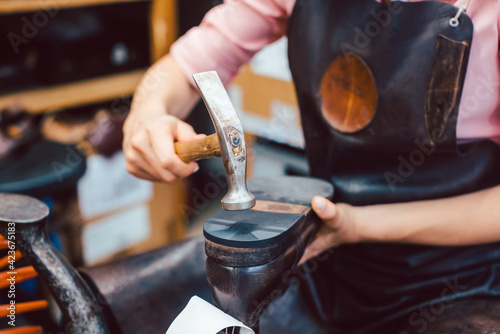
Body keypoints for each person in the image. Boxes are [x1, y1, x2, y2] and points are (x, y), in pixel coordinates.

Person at [123, 0, 500, 332]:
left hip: (463, 279)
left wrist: (360, 224)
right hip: (324, 250)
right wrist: (148, 116)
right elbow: (186, 66)